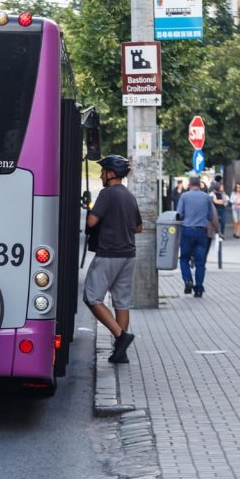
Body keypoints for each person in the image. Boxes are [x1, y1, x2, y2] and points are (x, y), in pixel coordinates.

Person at [83, 155, 143, 364]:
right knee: (122, 303)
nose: (101, 175)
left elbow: (91, 222)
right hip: (129, 255)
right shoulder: (129, 196)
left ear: (111, 173)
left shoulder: (107, 194)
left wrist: (94, 212)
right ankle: (121, 352)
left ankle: (121, 336)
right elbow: (138, 227)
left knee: (92, 298)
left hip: (109, 254)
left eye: (103, 171)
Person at [177, 175, 215, 298]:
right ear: (199, 184)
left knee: (184, 258)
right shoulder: (206, 197)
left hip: (187, 230)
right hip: (202, 231)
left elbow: (179, 214)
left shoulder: (184, 196)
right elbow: (210, 215)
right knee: (200, 262)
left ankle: (188, 280)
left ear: (189, 185)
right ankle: (199, 288)